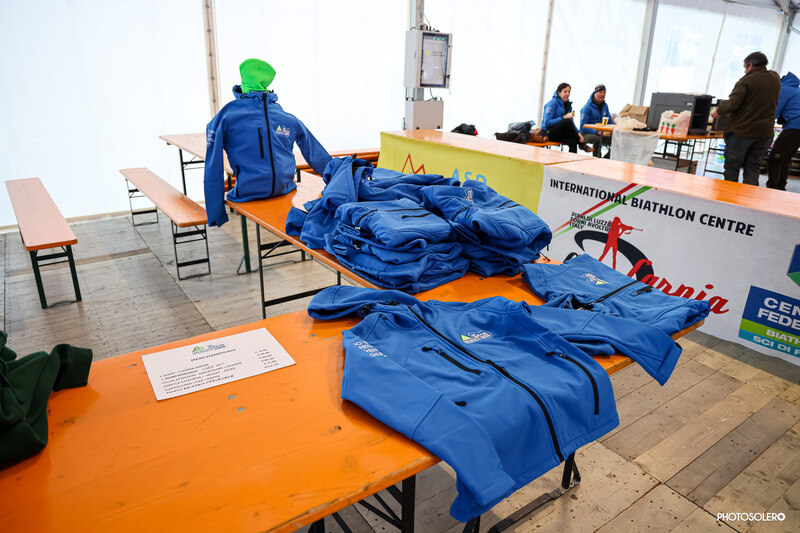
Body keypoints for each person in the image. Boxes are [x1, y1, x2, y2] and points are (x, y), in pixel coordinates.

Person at [204, 58, 332, 227]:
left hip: (276, 192)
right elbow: (317, 154)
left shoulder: (228, 116)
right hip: (261, 193)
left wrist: (215, 213)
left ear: (244, 81)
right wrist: (338, 179)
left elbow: (212, 165)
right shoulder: (230, 116)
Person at [712, 51, 780, 186]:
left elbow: (733, 103)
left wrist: (719, 111)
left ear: (750, 65)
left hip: (742, 132)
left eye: (745, 67)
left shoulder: (746, 81)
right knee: (753, 167)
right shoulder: (775, 78)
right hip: (764, 134)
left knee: (732, 167)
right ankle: (749, 197)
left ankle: (730, 195)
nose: (744, 71)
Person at [767, 72, 800, 190]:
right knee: (785, 157)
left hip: (794, 127)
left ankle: (773, 187)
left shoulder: (785, 89)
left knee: (776, 157)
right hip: (796, 128)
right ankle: (780, 186)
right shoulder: (796, 89)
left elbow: (774, 111)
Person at [542, 83, 593, 153]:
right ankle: (582, 144)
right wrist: (563, 118)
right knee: (567, 121)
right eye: (565, 91)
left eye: (569, 91)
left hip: (561, 133)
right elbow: (547, 123)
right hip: (548, 133)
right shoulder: (552, 103)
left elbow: (571, 124)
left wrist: (578, 133)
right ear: (559, 93)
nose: (567, 94)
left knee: (573, 141)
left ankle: (572, 159)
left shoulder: (568, 105)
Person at [580, 84, 614, 158]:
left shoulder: (605, 106)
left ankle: (605, 159)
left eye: (604, 92)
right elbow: (582, 127)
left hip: (602, 133)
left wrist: (614, 129)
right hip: (587, 134)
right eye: (600, 92)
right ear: (594, 93)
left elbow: (610, 121)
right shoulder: (587, 108)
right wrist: (597, 131)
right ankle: (597, 159)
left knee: (616, 140)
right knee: (598, 139)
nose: (602, 94)